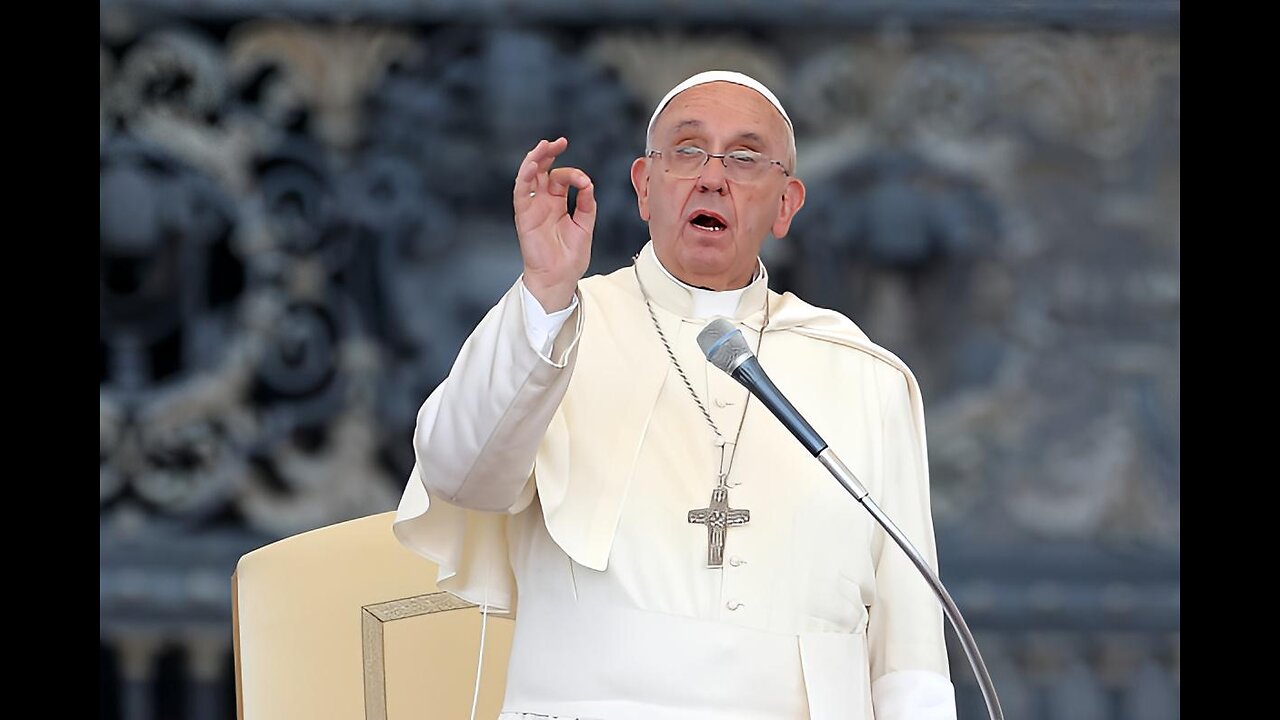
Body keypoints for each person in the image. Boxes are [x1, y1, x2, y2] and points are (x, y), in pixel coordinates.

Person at [393, 70, 957, 720]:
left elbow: (909, 654)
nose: (712, 176)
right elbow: (461, 475)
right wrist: (545, 291)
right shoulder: (553, 327)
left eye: (745, 158)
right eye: (687, 150)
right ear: (644, 186)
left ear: (785, 205)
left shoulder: (862, 374)